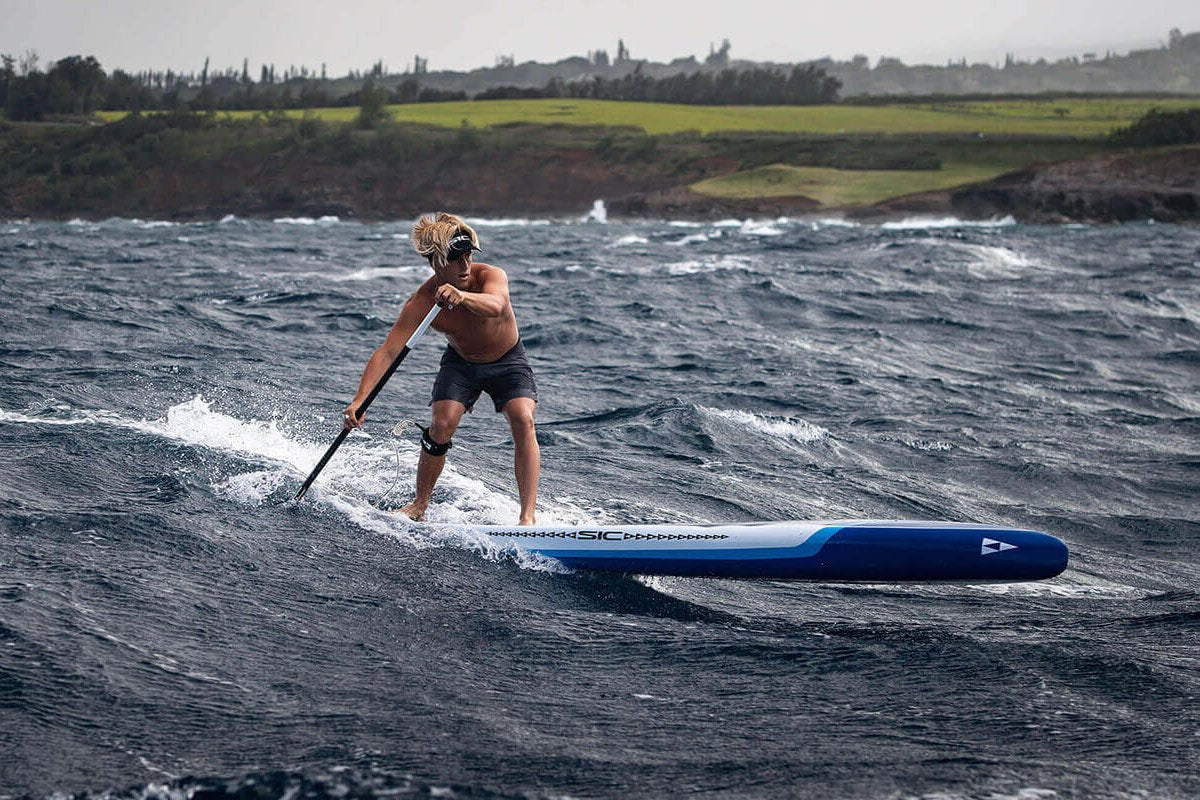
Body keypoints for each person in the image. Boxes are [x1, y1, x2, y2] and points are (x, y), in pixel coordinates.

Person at [342, 212, 540, 525]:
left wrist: (462, 297)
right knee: (441, 424)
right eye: (455, 259)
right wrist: (359, 399)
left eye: (468, 256)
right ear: (435, 262)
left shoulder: (490, 276)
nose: (465, 266)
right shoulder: (421, 303)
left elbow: (497, 305)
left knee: (522, 417)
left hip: (508, 360)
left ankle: (527, 518)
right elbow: (388, 351)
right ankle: (419, 505)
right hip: (461, 364)